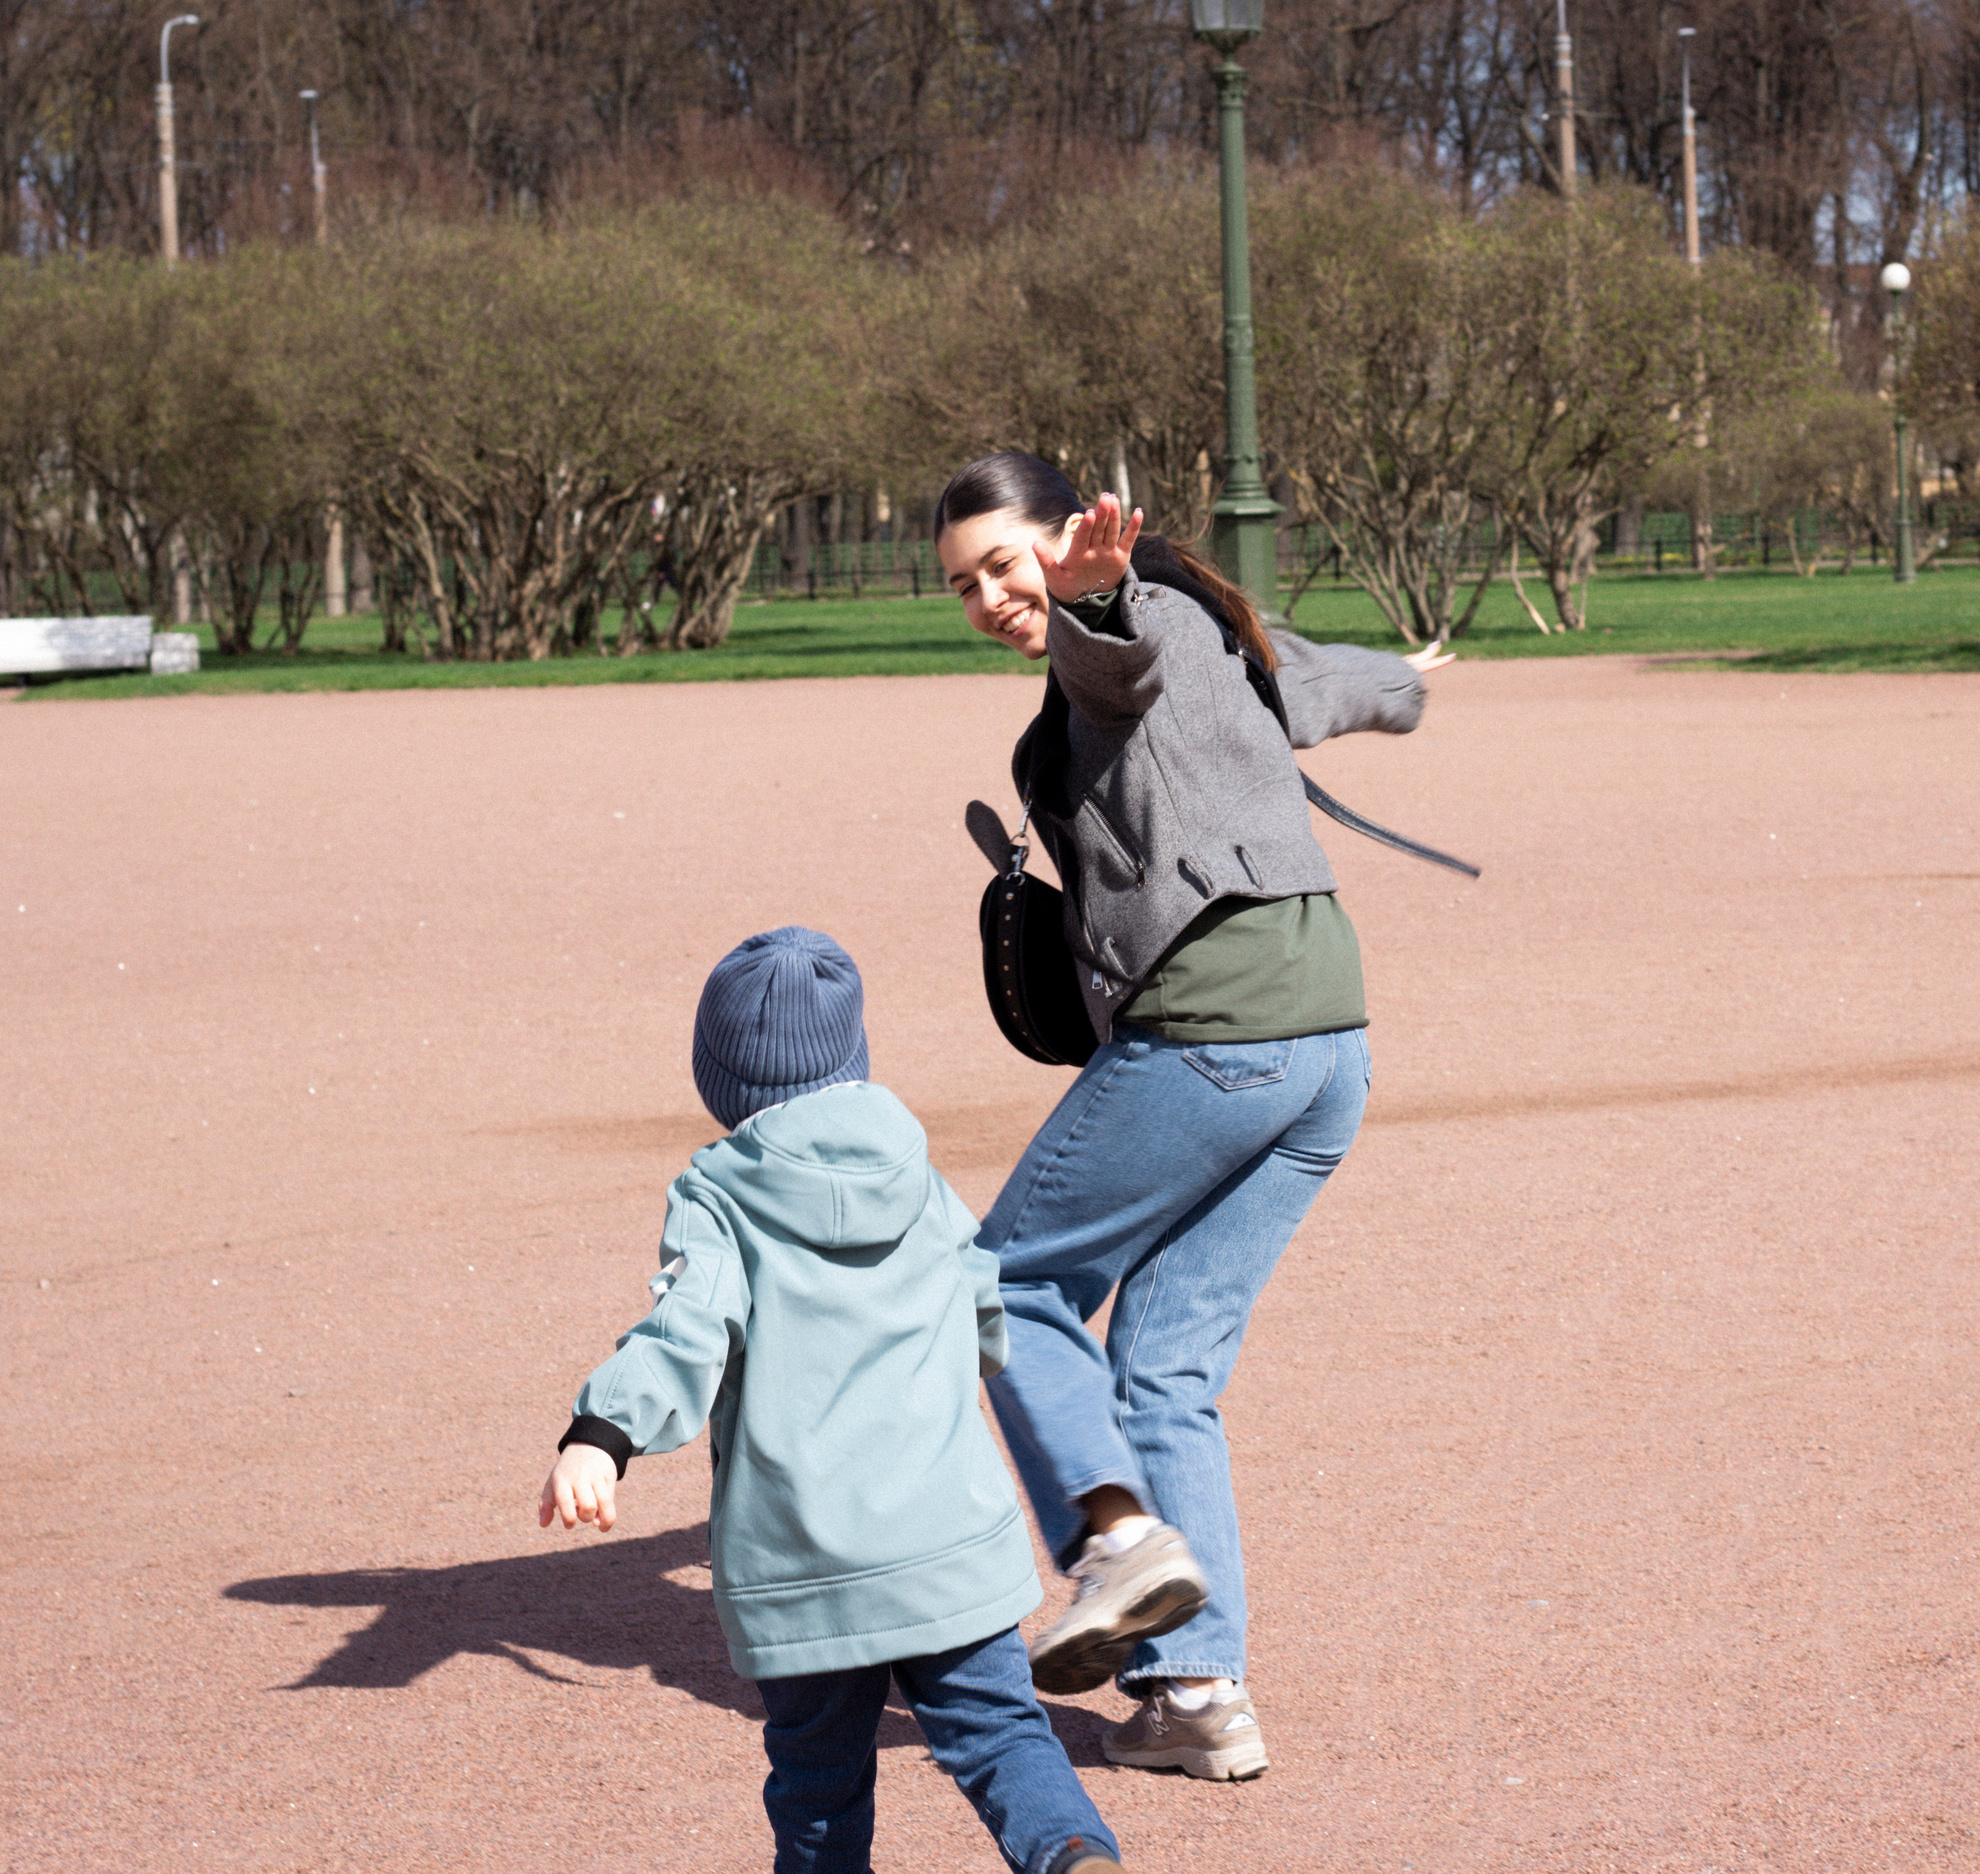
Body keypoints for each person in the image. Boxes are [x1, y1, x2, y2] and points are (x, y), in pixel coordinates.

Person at [935, 453, 1452, 1782]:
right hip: (1327, 1044)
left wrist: (1095, 602)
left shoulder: (1133, 625)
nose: (993, 594)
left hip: (1220, 1027)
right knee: (1161, 1366)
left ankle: (1114, 1532)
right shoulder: (1221, 625)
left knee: (996, 1284)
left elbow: (1117, 661)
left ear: (1072, 537)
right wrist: (1407, 680)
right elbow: (1333, 680)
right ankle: (1197, 1696)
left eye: (1006, 561)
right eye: (966, 583)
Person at [539, 926, 1125, 1874]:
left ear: (721, 1081)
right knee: (1005, 1738)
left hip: (803, 1562)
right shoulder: (918, 1174)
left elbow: (685, 1332)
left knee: (818, 1788)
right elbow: (982, 1310)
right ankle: (1070, 1855)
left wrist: (601, 1435)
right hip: (949, 1542)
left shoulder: (718, 1198)